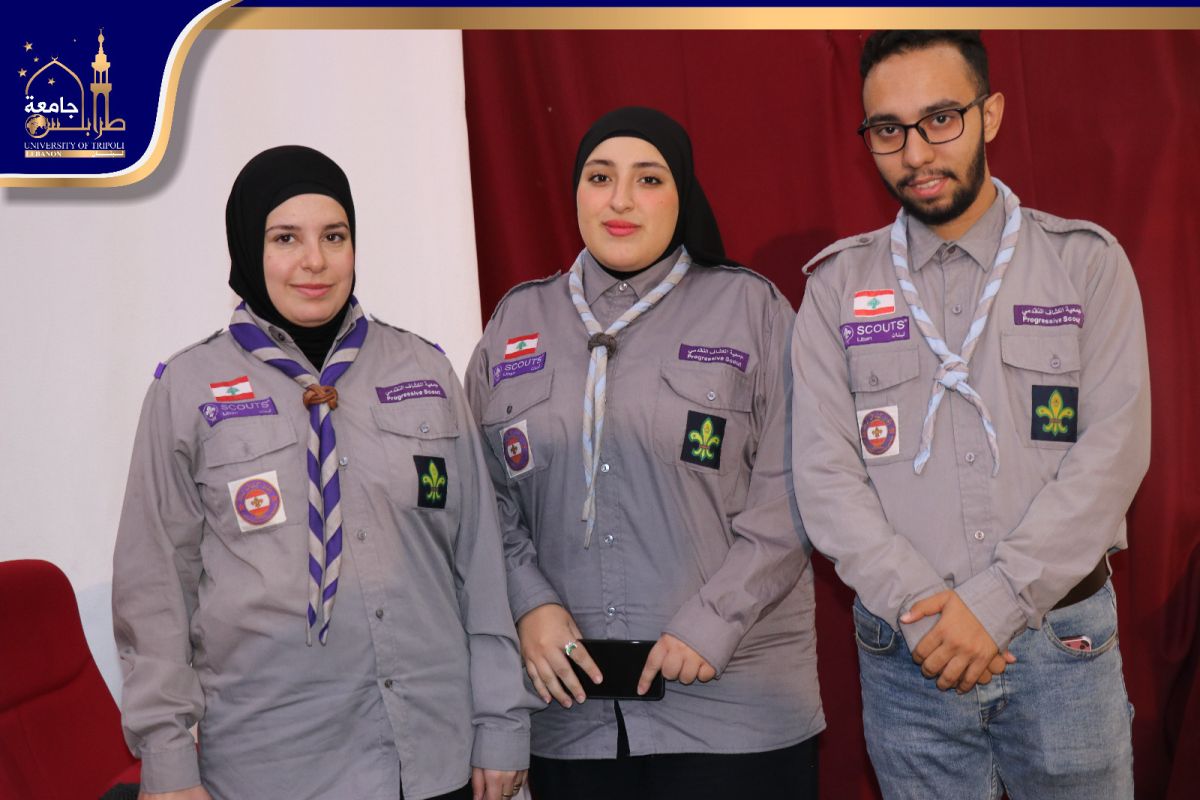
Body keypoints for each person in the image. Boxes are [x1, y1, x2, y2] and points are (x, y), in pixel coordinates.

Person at [112, 145, 534, 800]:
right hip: (274, 766)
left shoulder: (424, 370)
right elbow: (155, 589)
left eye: (334, 236)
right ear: (248, 249)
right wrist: (167, 761)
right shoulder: (186, 390)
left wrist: (502, 722)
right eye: (286, 238)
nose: (315, 261)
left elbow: (478, 562)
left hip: (434, 755)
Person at [791, 30, 1149, 799]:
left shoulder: (1086, 264)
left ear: (990, 114)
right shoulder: (834, 289)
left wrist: (995, 604)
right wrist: (930, 618)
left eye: (940, 119)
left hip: (1061, 644)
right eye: (888, 130)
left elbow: (1113, 454)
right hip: (909, 656)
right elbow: (824, 477)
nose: (916, 153)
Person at [464, 107, 823, 800]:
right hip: (572, 717)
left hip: (734, 712)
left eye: (649, 179)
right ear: (576, 193)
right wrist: (528, 603)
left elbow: (796, 491)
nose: (621, 200)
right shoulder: (516, 321)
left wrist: (712, 622)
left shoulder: (752, 310)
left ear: (682, 194)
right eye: (600, 178)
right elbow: (481, 501)